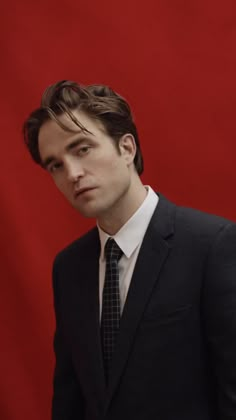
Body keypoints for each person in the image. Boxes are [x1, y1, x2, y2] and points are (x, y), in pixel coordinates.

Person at [23, 80, 236, 420]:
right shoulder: (68, 268)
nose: (72, 174)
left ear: (126, 148)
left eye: (82, 149)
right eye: (56, 165)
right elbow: (70, 399)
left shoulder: (212, 245)